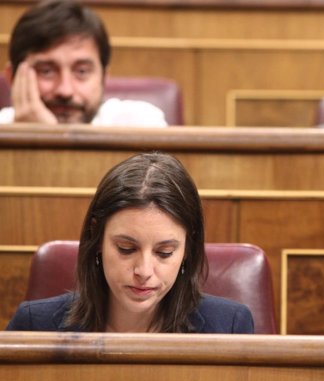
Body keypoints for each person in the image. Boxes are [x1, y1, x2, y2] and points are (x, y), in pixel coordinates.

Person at [6, 152, 253, 333]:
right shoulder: (34, 324)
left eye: (164, 252)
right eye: (126, 249)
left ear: (188, 248)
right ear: (97, 238)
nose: (144, 271)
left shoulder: (228, 326)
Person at [0, 0, 166, 126]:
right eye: (46, 71)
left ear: (104, 77)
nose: (65, 90)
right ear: (12, 78)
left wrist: (47, 138)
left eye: (81, 72)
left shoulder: (141, 124)